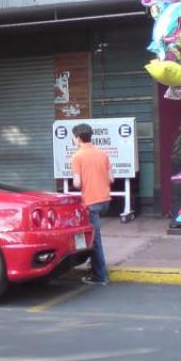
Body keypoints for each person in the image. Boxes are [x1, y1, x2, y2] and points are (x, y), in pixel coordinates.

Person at [71, 123, 114, 286]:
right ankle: (94, 265)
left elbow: (77, 183)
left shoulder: (77, 156)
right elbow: (111, 179)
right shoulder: (102, 153)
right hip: (105, 200)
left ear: (78, 138)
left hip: (91, 201)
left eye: (74, 138)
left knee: (94, 240)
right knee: (91, 236)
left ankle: (100, 275)